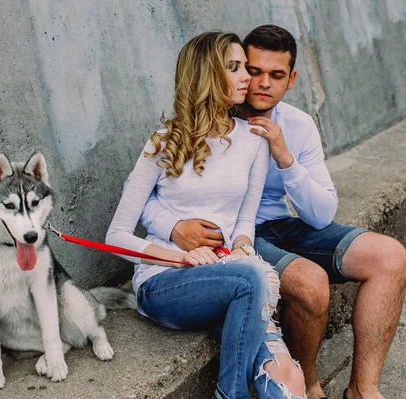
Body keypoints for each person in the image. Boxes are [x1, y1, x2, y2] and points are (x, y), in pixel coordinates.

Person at [141, 25, 406, 399]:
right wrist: (173, 226)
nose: (261, 83)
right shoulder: (212, 116)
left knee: (391, 256)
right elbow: (155, 195)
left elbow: (321, 213)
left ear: (291, 79)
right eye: (253, 70)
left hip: (284, 224)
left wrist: (285, 158)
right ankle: (310, 386)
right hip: (234, 237)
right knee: (310, 283)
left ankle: (364, 390)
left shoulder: (297, 125)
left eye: (276, 75)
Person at [106, 31, 306, 399]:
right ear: (206, 75)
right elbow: (116, 236)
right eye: (234, 68)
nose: (247, 76)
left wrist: (243, 246)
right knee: (255, 277)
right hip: (165, 282)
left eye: (244, 66)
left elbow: (244, 220)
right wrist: (181, 255)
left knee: (289, 382)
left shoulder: (254, 139)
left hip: (230, 277)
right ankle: (230, 394)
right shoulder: (163, 142)